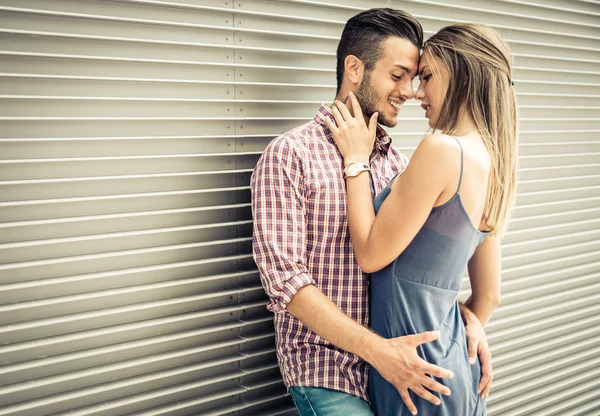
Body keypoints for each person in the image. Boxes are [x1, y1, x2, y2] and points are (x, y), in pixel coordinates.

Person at [252, 9, 493, 415]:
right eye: (397, 76)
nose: (410, 91)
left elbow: (433, 264)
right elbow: (285, 283)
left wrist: (470, 319)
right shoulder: (289, 155)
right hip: (328, 369)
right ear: (354, 68)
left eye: (416, 78)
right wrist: (379, 352)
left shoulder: (400, 164)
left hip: (402, 367)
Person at [326, 23, 517, 415]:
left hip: (412, 375)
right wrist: (469, 325)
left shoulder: (442, 150)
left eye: (426, 76)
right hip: (453, 369)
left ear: (461, 74)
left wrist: (356, 161)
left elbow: (370, 254)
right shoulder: (495, 165)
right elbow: (489, 296)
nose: (417, 93)